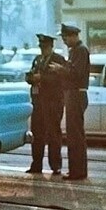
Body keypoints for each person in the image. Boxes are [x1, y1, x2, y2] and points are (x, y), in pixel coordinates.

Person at [50, 23, 91, 181]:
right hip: (73, 95)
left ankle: (77, 171)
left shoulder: (80, 50)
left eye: (66, 37)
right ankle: (78, 170)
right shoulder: (76, 50)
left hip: (76, 94)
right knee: (75, 134)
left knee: (75, 135)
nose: (65, 40)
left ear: (74, 36)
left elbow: (76, 74)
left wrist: (60, 69)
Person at [24, 33, 67, 175]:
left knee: (53, 134)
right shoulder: (37, 60)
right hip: (38, 101)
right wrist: (31, 78)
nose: (43, 49)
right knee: (37, 134)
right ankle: (36, 164)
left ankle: (56, 165)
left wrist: (42, 77)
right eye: (41, 47)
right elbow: (32, 75)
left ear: (51, 47)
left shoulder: (58, 59)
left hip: (53, 101)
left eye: (46, 47)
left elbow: (59, 79)